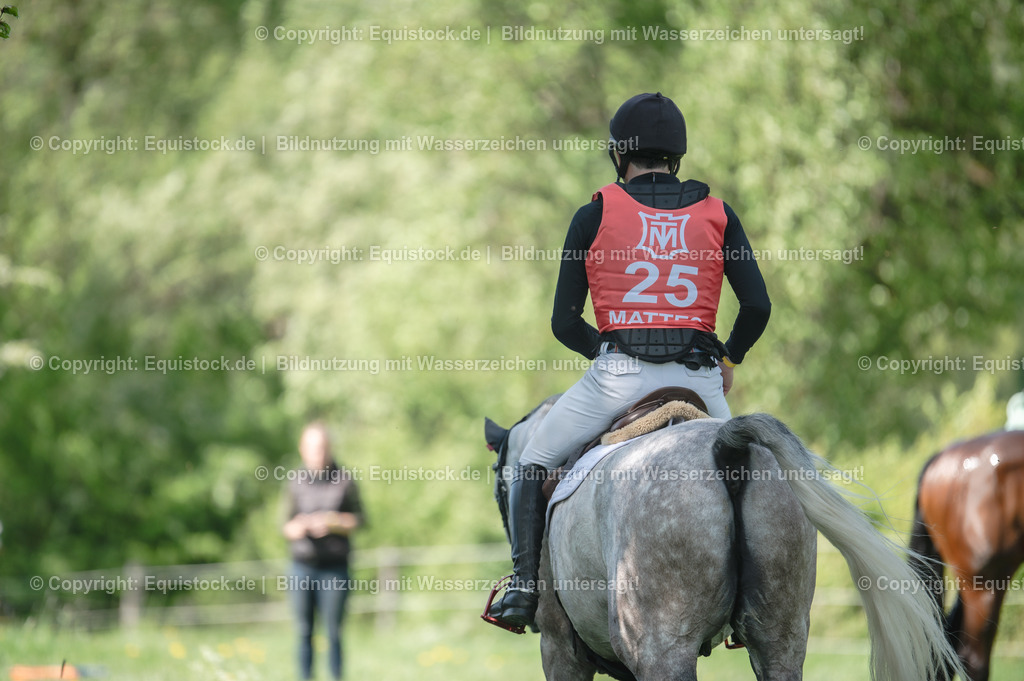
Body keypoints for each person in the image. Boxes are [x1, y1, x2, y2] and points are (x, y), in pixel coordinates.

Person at [489, 92, 771, 629]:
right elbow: (757, 306)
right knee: (745, 479)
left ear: (621, 154)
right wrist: (729, 356)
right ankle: (751, 607)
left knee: (531, 463)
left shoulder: (594, 212)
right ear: (677, 154)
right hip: (700, 381)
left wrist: (608, 350)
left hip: (618, 380)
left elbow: (563, 323)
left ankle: (524, 590)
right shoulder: (718, 213)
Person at [282, 421, 365, 680]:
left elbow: (360, 519)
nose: (317, 453)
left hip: (335, 568)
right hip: (301, 565)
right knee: (304, 630)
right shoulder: (294, 481)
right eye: (312, 448)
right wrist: (299, 527)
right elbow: (285, 525)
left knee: (333, 632)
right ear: (302, 449)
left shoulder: (344, 479)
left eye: (321, 447)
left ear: (329, 448)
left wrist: (334, 522)